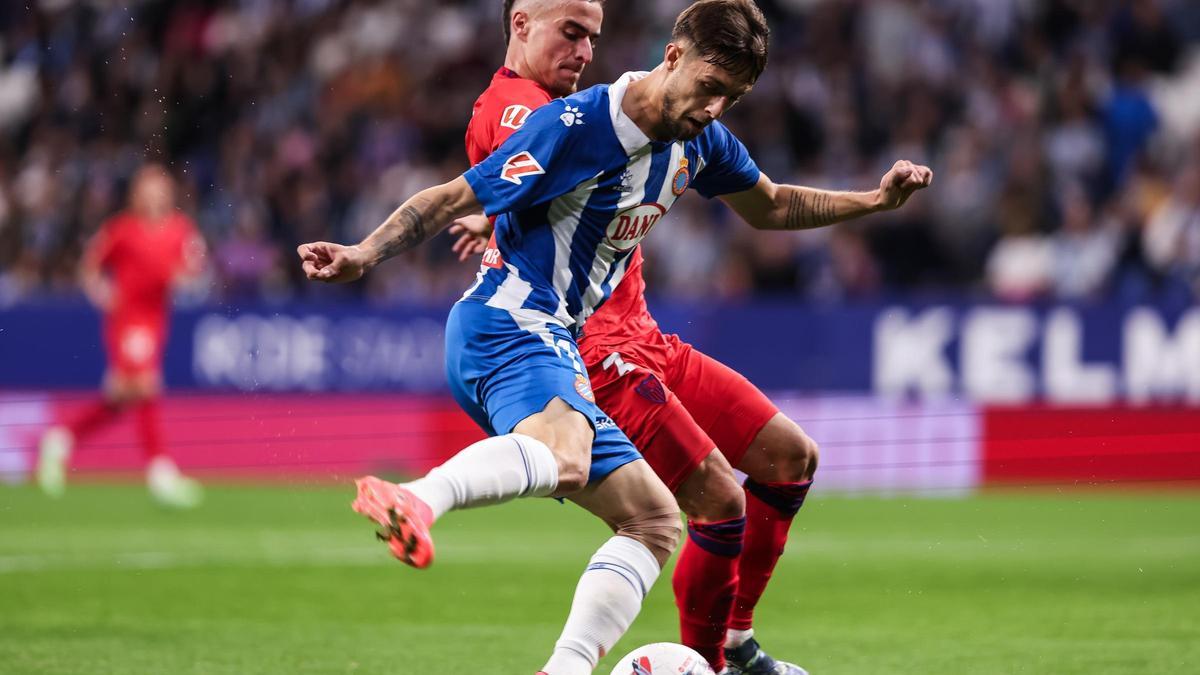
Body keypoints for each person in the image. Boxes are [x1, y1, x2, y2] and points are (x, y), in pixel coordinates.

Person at [297, 1, 930, 673]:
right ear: (673, 57)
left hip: (572, 334)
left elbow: (771, 205)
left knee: (655, 521)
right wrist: (364, 253)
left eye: (733, 97)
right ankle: (420, 498)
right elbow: (455, 195)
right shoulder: (577, 124)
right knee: (581, 459)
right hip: (511, 323)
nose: (716, 107)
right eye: (710, 87)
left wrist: (873, 201)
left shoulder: (701, 139)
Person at [36, 163, 207, 509]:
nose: (153, 195)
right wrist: (101, 292)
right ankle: (159, 470)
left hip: (157, 318)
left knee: (121, 396)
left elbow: (193, 270)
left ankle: (61, 439)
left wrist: (184, 278)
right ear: (136, 194)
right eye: (147, 188)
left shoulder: (180, 230)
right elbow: (91, 264)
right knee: (145, 384)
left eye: (159, 189)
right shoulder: (122, 229)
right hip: (128, 318)